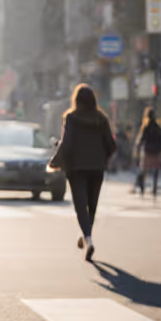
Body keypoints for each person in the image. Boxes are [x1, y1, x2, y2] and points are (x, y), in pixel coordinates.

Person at [48, 84, 116, 262]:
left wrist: (56, 162)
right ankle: (87, 236)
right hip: (96, 168)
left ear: (76, 100)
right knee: (92, 206)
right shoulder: (102, 119)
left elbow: (67, 144)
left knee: (80, 206)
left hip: (77, 168)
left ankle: (88, 238)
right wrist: (102, 158)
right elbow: (111, 144)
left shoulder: (71, 118)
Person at [134, 108, 161, 198]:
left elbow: (141, 139)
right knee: (155, 170)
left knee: (144, 170)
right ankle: (154, 187)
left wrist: (138, 148)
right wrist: (160, 150)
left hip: (147, 151)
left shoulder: (145, 127)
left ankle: (142, 188)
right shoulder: (158, 128)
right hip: (156, 152)